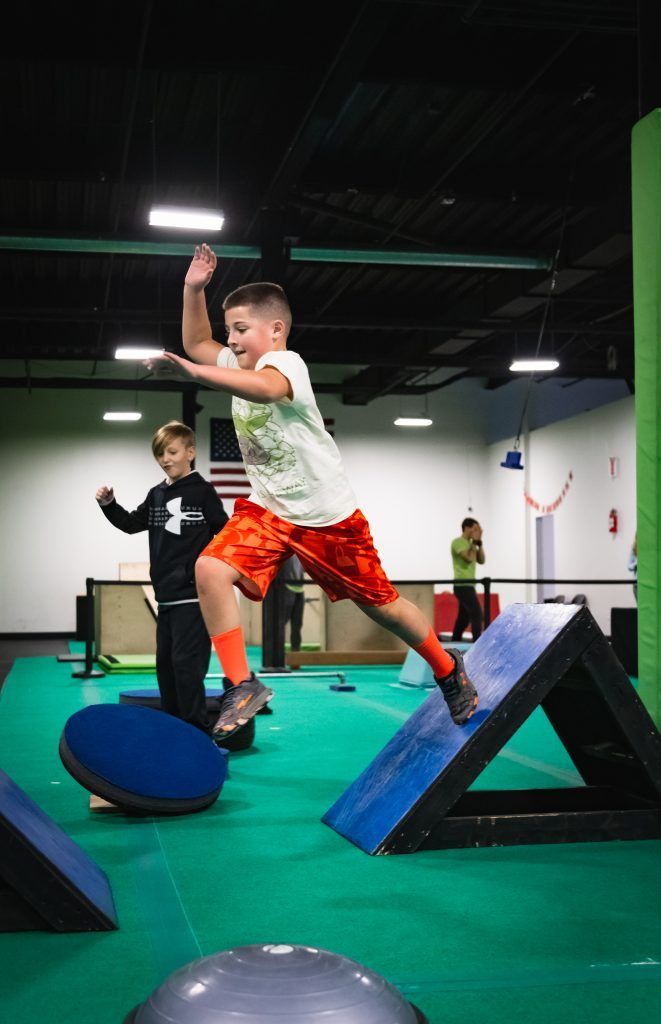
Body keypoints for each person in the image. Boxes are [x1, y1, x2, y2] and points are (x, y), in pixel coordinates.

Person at [155, 243, 478, 737]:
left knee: (382, 607)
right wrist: (192, 288)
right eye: (230, 331)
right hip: (268, 511)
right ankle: (242, 684)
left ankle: (446, 667)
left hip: (327, 516)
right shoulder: (233, 358)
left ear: (275, 330)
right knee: (210, 568)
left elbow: (260, 389)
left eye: (241, 330)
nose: (231, 340)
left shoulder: (288, 365)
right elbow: (197, 341)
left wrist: (197, 374)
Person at [95, 420, 228, 734]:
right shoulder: (156, 494)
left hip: (193, 596)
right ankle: (172, 731)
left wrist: (208, 570)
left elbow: (224, 532)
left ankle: (197, 733)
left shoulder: (203, 492)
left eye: (172, 451)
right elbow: (130, 523)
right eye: (160, 454)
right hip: (165, 596)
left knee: (187, 667)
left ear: (190, 452)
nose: (165, 459)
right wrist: (108, 505)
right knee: (166, 669)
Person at [450, 518, 485, 642]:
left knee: (463, 618)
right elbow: (468, 558)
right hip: (461, 585)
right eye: (475, 529)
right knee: (477, 614)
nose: (477, 532)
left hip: (470, 586)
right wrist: (474, 543)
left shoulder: (473, 544)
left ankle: (454, 642)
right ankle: (477, 644)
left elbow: (481, 560)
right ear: (467, 528)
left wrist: (478, 542)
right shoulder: (457, 542)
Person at [278, 553, 305, 652]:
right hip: (286, 587)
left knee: (297, 624)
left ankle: (295, 654)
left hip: (300, 588)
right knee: (281, 622)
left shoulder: (302, 550)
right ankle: (278, 653)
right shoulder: (287, 549)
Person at [628, 532, 637, 602]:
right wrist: (637, 563)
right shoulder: (634, 549)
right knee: (640, 608)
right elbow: (629, 566)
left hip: (650, 583)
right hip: (637, 584)